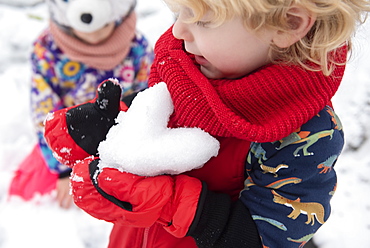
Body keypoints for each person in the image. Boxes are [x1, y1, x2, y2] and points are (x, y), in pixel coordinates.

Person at [43, 0, 370, 247]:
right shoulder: (187, 66)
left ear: (287, 24)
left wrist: (174, 204)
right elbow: (150, 114)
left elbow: (268, 237)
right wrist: (104, 127)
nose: (178, 31)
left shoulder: (302, 134)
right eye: (179, 13)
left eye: (202, 19)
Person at [8, 0, 153, 209]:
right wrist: (62, 168)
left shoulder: (136, 47)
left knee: (126, 199)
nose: (94, 36)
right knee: (26, 192)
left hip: (117, 143)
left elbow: (145, 100)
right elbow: (43, 111)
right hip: (66, 139)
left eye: (103, 27)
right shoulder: (48, 48)